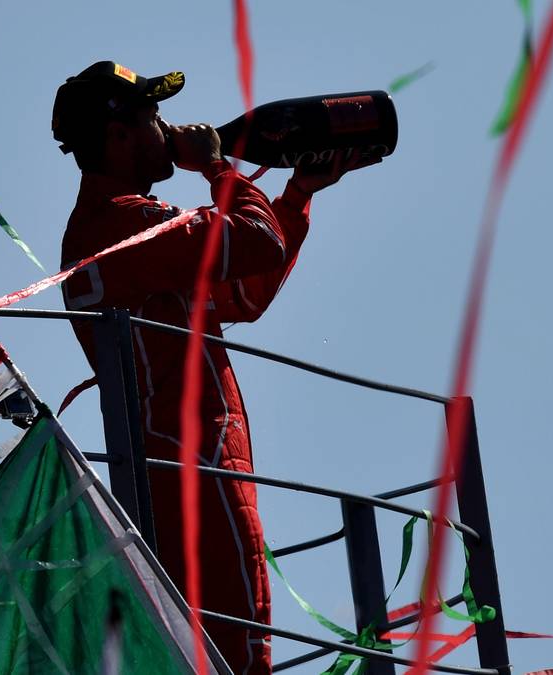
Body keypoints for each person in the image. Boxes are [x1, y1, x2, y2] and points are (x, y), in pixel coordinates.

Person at [52, 61, 375, 674]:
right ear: (120, 136)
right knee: (237, 652)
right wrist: (217, 166)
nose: (167, 126)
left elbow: (245, 295)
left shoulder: (109, 227)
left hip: (169, 461)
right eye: (152, 116)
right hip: (195, 456)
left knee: (209, 646)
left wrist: (297, 195)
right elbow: (258, 244)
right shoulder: (129, 223)